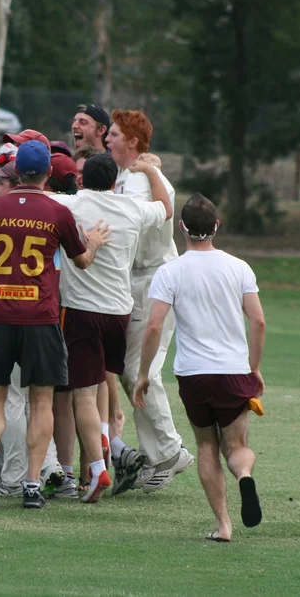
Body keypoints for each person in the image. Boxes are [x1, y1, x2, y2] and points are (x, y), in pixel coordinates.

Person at [0, 140, 111, 509]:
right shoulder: (56, 211)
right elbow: (81, 262)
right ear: (48, 173)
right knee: (42, 399)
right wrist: (93, 242)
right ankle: (32, 482)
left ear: (15, 173)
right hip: (40, 316)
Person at [134, 194, 264, 542]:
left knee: (206, 446)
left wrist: (144, 374)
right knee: (236, 447)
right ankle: (245, 477)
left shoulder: (170, 271)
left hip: (193, 374)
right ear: (216, 227)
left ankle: (223, 525)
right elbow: (258, 322)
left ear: (182, 228)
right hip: (234, 372)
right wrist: (254, 367)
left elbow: (154, 327)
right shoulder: (239, 268)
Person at [52, 152, 172, 503]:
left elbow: (29, 197)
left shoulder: (71, 205)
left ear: (82, 179)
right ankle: (107, 442)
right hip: (120, 312)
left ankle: (96, 467)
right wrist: (151, 170)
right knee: (105, 383)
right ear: (114, 181)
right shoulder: (132, 208)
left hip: (81, 310)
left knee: (83, 395)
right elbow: (164, 207)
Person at [107, 108, 193, 494]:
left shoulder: (141, 182)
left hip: (154, 279)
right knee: (131, 373)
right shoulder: (129, 175)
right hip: (137, 281)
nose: (108, 139)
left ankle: (171, 452)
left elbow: (134, 221)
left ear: (133, 142)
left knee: (142, 372)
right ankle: (161, 454)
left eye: (113, 134)